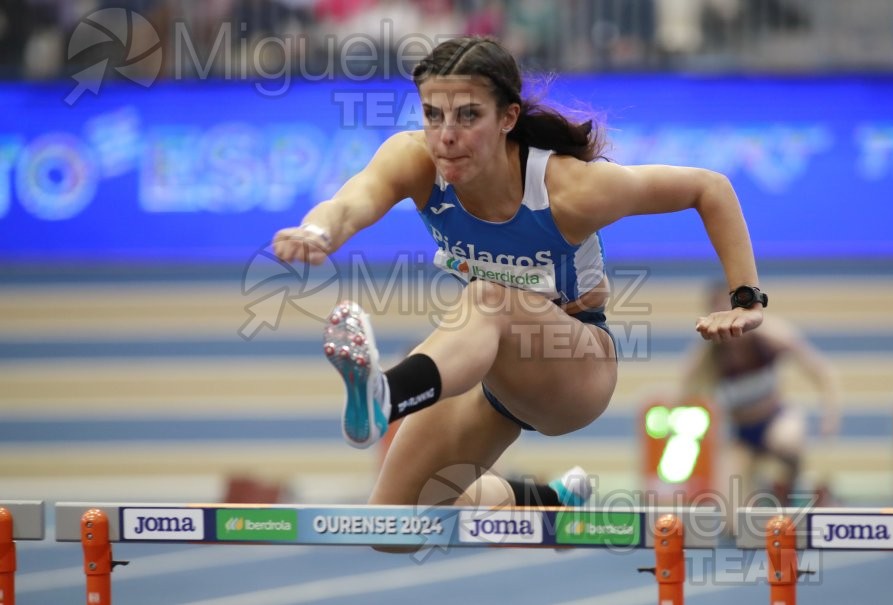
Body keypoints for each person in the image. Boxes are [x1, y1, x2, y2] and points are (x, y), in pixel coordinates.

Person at [272, 35, 765, 523]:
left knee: (489, 298)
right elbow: (352, 200)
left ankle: (387, 394)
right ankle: (541, 500)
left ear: (507, 118)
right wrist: (318, 231)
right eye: (432, 115)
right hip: (496, 378)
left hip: (576, 366)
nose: (446, 135)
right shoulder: (415, 162)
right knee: (393, 522)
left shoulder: (570, 189)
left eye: (468, 116)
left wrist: (745, 298)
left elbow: (709, 188)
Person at [680, 284, 840, 510]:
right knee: (732, 521)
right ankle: (764, 490)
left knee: (787, 441)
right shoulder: (708, 355)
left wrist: (830, 415)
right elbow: (685, 393)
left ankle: (792, 485)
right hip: (741, 435)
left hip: (776, 419)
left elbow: (821, 371)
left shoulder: (771, 336)